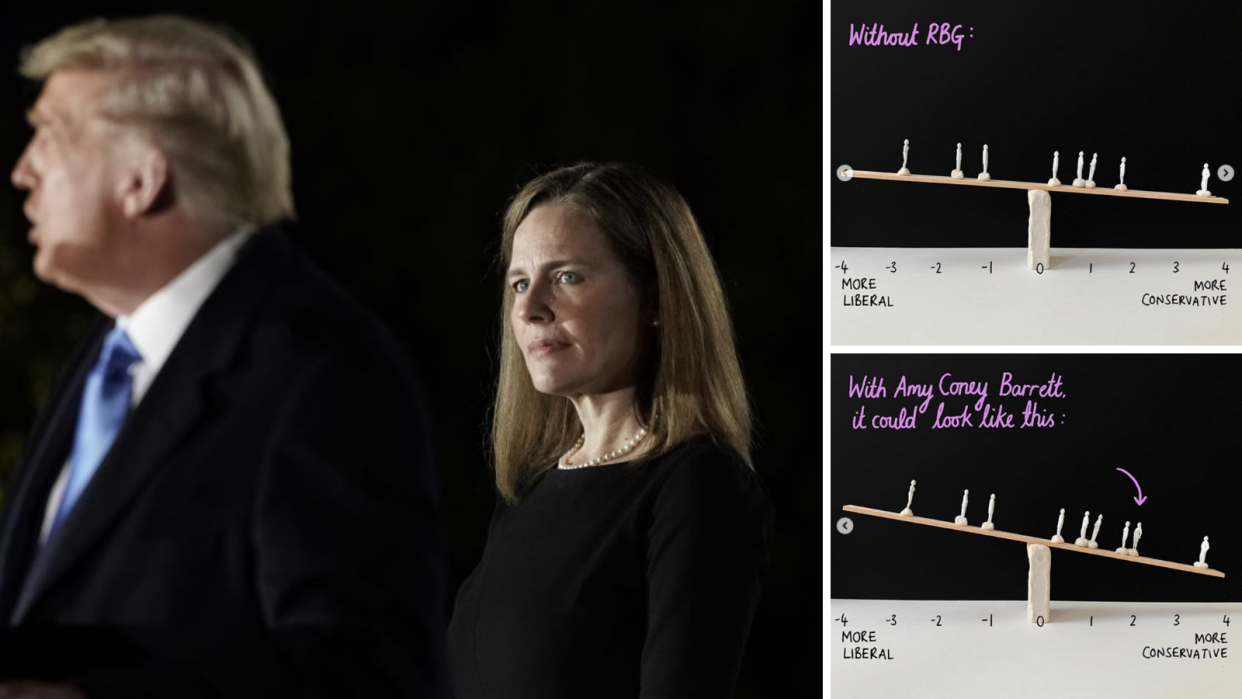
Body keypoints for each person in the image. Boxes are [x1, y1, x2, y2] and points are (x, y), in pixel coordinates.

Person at [0, 16, 446, 697]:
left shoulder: (322, 373)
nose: (22, 169)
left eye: (51, 133)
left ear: (142, 180)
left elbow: (370, 673)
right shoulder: (105, 354)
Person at [448, 162, 774, 698]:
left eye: (567, 277)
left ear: (655, 299)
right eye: (519, 283)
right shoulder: (528, 491)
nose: (529, 309)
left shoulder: (699, 488)